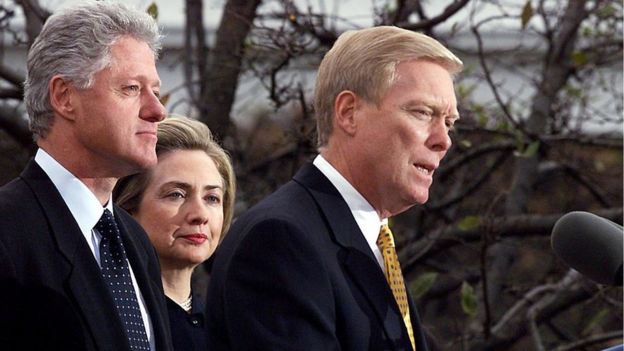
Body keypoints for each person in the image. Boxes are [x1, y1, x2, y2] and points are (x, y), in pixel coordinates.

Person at [205, 26, 463, 351]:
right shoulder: (280, 240)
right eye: (423, 113)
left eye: (449, 122)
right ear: (349, 113)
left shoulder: (371, 240)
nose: (443, 141)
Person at [0, 2, 173, 350]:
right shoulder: (7, 233)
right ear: (64, 97)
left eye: (155, 90)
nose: (158, 110)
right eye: (131, 89)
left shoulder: (136, 241)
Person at [114, 116, 236, 351]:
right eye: (176, 194)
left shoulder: (229, 327)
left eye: (212, 198)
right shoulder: (110, 320)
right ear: (128, 207)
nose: (200, 215)